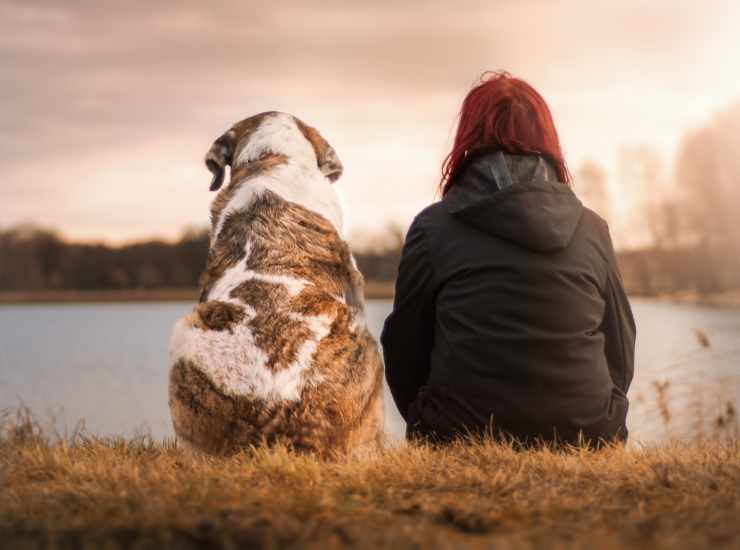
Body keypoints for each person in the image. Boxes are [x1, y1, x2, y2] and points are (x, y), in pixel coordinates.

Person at [381, 72, 636, 446]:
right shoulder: (592, 229)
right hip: (587, 433)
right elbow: (621, 345)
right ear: (547, 139)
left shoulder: (433, 229)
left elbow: (404, 347)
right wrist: (600, 413)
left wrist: (427, 418)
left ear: (468, 138)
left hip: (458, 434)